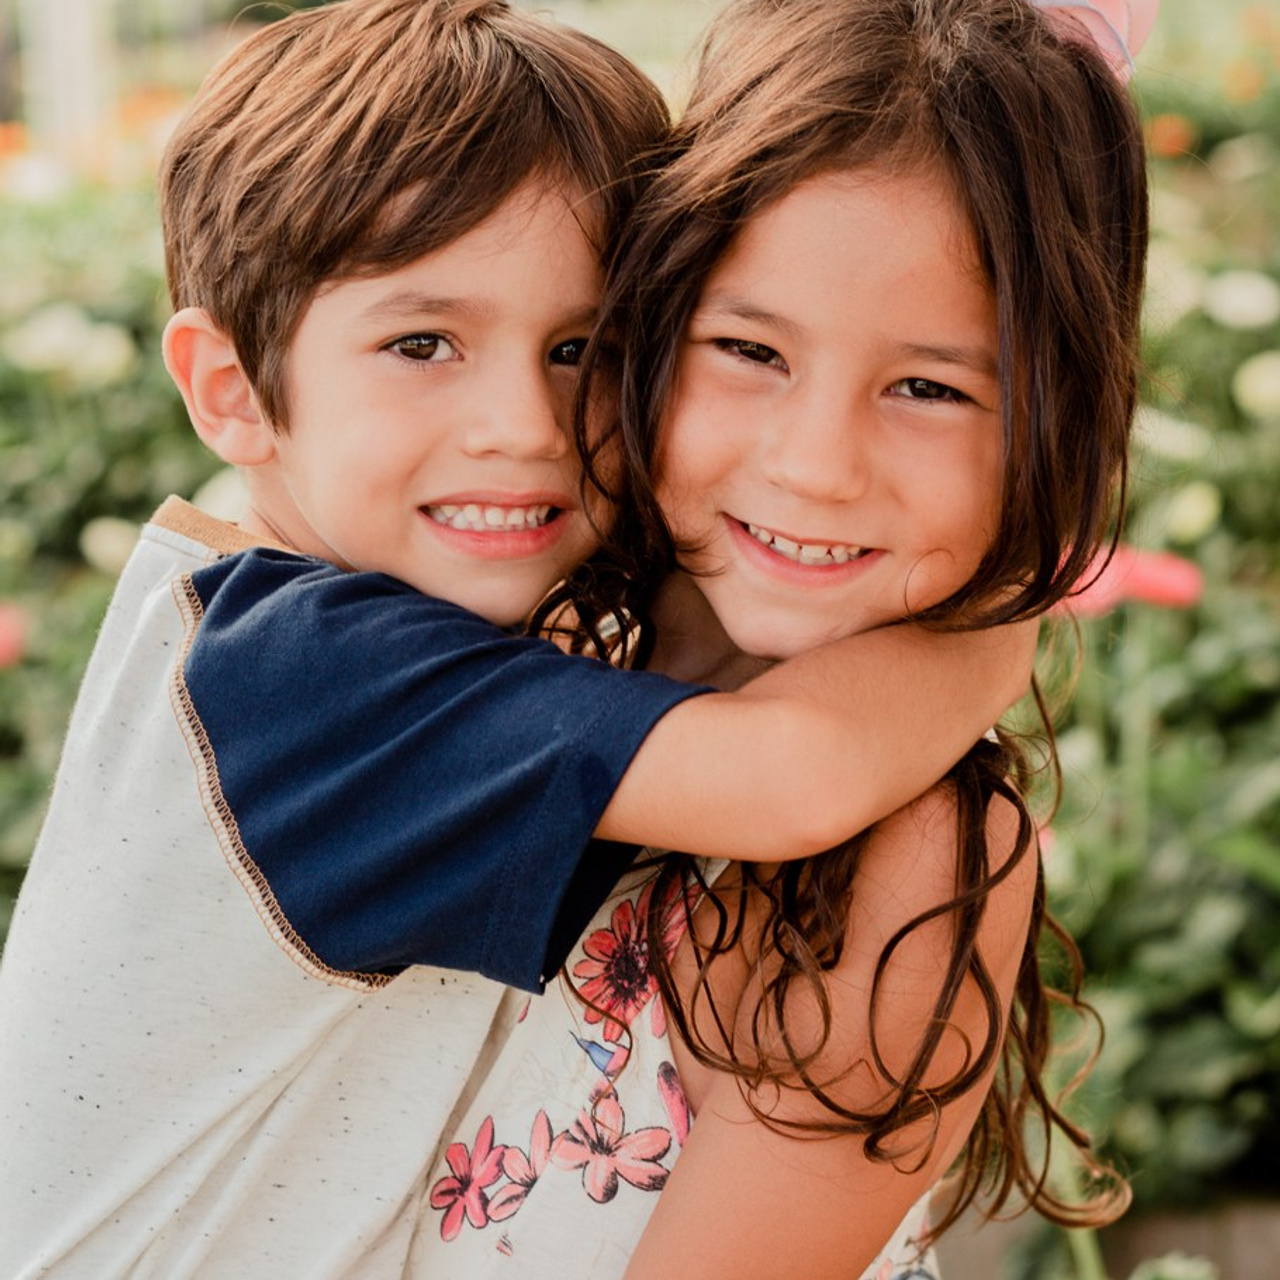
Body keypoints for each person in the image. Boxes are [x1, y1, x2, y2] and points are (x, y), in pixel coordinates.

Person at [0, 2, 1033, 1277]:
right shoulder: (304, 675)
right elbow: (792, 777)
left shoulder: (290, 625)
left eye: (580, 349)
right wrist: (1002, 625)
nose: (523, 423)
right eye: (421, 343)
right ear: (231, 389)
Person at [409, 1, 1155, 1277]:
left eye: (929, 386)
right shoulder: (502, 618)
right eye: (748, 348)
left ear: (1056, 408)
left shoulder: (917, 857)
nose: (814, 466)